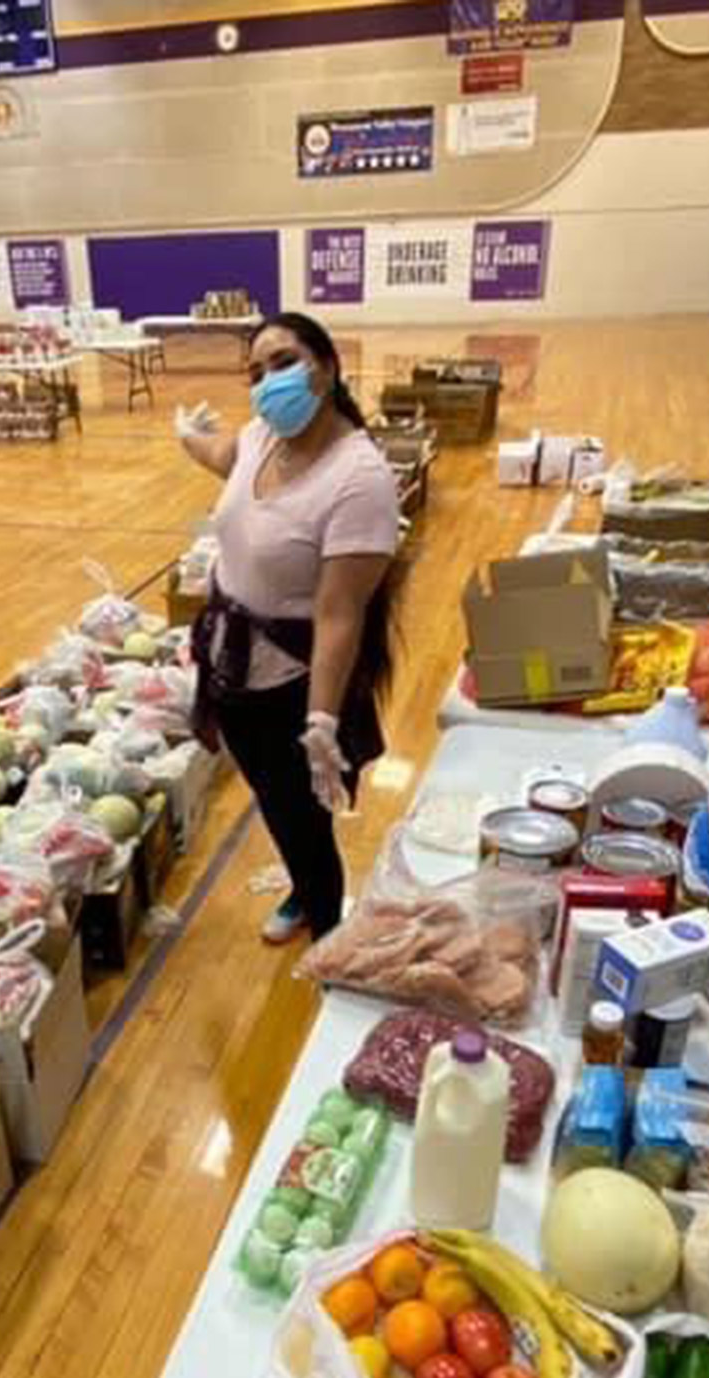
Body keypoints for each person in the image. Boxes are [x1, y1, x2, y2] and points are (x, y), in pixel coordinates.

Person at [175, 311, 399, 945]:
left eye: (282, 363)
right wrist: (187, 436)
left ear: (325, 369)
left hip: (292, 684)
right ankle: (303, 891)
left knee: (303, 818)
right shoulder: (260, 436)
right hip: (232, 666)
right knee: (271, 799)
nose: (267, 382)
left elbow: (340, 611)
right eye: (255, 371)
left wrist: (322, 721)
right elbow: (225, 457)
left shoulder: (359, 479)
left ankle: (329, 934)